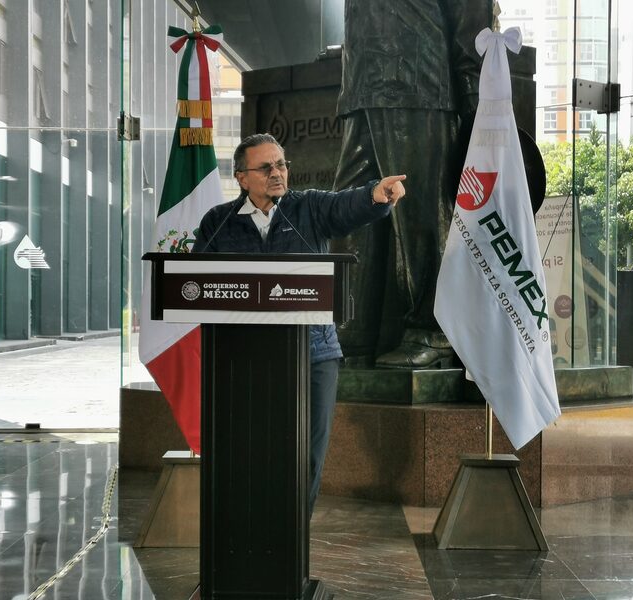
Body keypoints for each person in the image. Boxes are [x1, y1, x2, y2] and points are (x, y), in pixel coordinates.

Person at [195, 133, 406, 514]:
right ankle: (253, 529)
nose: (277, 173)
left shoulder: (308, 207)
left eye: (281, 164)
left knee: (308, 452)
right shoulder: (218, 222)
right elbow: (198, 283)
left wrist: (376, 193)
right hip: (248, 357)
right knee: (254, 450)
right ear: (242, 177)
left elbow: (347, 206)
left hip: (314, 353)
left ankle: (294, 536)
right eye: (266, 167)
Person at [332, 0, 494, 368]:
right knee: (349, 215)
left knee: (421, 214)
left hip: (418, 81)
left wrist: (473, 95)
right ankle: (349, 333)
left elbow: (471, 12)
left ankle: (434, 332)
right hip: (362, 85)